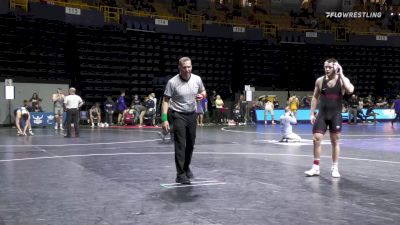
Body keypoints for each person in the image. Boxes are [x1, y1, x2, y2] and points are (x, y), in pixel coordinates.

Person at [305, 58, 354, 178]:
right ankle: (316, 167)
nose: (327, 69)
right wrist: (312, 113)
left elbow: (350, 90)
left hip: (335, 115)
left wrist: (341, 74)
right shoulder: (320, 81)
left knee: (335, 141)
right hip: (322, 114)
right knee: (316, 139)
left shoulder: (342, 80)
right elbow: (315, 97)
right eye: (325, 67)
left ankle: (335, 167)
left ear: (336, 67)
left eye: (329, 67)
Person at [161, 57, 206, 184]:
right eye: (184, 67)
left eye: (189, 67)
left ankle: (186, 168)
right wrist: (164, 119)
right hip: (178, 115)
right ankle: (180, 174)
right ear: (179, 68)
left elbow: (204, 92)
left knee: (191, 144)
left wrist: (202, 96)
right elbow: (165, 101)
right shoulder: (172, 82)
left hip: (192, 114)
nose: (187, 70)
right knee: (180, 144)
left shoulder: (197, 79)